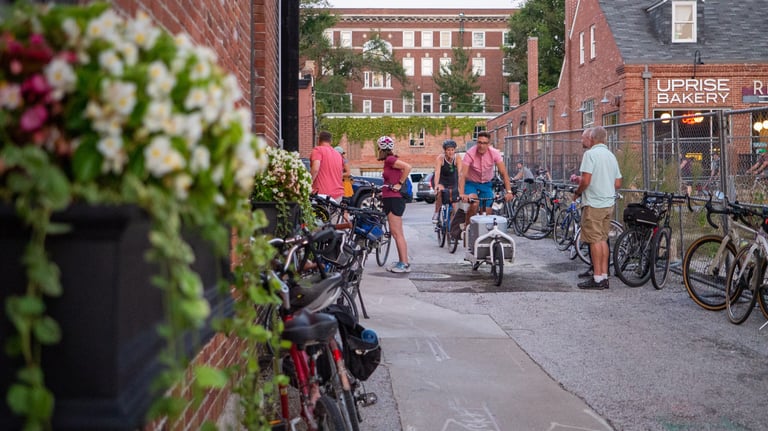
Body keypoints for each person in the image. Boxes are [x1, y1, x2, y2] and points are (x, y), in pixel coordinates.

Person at [572, 126, 622, 290]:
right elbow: (617, 183)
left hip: (594, 203)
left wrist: (577, 193)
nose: (583, 141)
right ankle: (604, 276)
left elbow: (586, 180)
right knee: (602, 239)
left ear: (592, 139)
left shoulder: (590, 154)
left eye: (585, 138)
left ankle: (597, 278)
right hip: (608, 203)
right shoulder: (611, 156)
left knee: (594, 240)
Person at [458, 131, 514, 222]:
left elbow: (503, 173)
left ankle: (482, 233)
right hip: (471, 183)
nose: (481, 146)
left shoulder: (494, 153)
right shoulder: (470, 153)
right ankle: (467, 229)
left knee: (487, 213)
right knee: (475, 203)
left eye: (484, 143)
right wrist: (461, 193)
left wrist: (509, 191)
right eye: (479, 142)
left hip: (486, 184)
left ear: (488, 144)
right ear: (477, 143)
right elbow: (462, 174)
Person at [377, 136, 413, 273]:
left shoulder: (391, 160)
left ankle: (404, 263)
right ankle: (402, 261)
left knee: (397, 233)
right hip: (390, 197)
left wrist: (399, 184)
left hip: (394, 199)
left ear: (380, 149)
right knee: (396, 233)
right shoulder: (388, 161)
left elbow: (408, 167)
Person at [432, 139, 463, 223]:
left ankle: (453, 224)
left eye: (452, 150)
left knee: (454, 203)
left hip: (453, 180)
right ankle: (436, 212)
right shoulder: (440, 158)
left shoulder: (458, 157)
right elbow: (437, 172)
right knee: (439, 192)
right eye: (448, 150)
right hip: (442, 180)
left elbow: (460, 173)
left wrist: (461, 188)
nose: (450, 152)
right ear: (445, 151)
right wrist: (436, 186)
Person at [310, 131, 344, 201]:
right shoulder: (338, 154)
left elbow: (315, 169)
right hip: (338, 195)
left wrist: (308, 184)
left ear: (318, 140)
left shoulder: (318, 150)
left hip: (322, 195)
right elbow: (340, 174)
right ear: (330, 141)